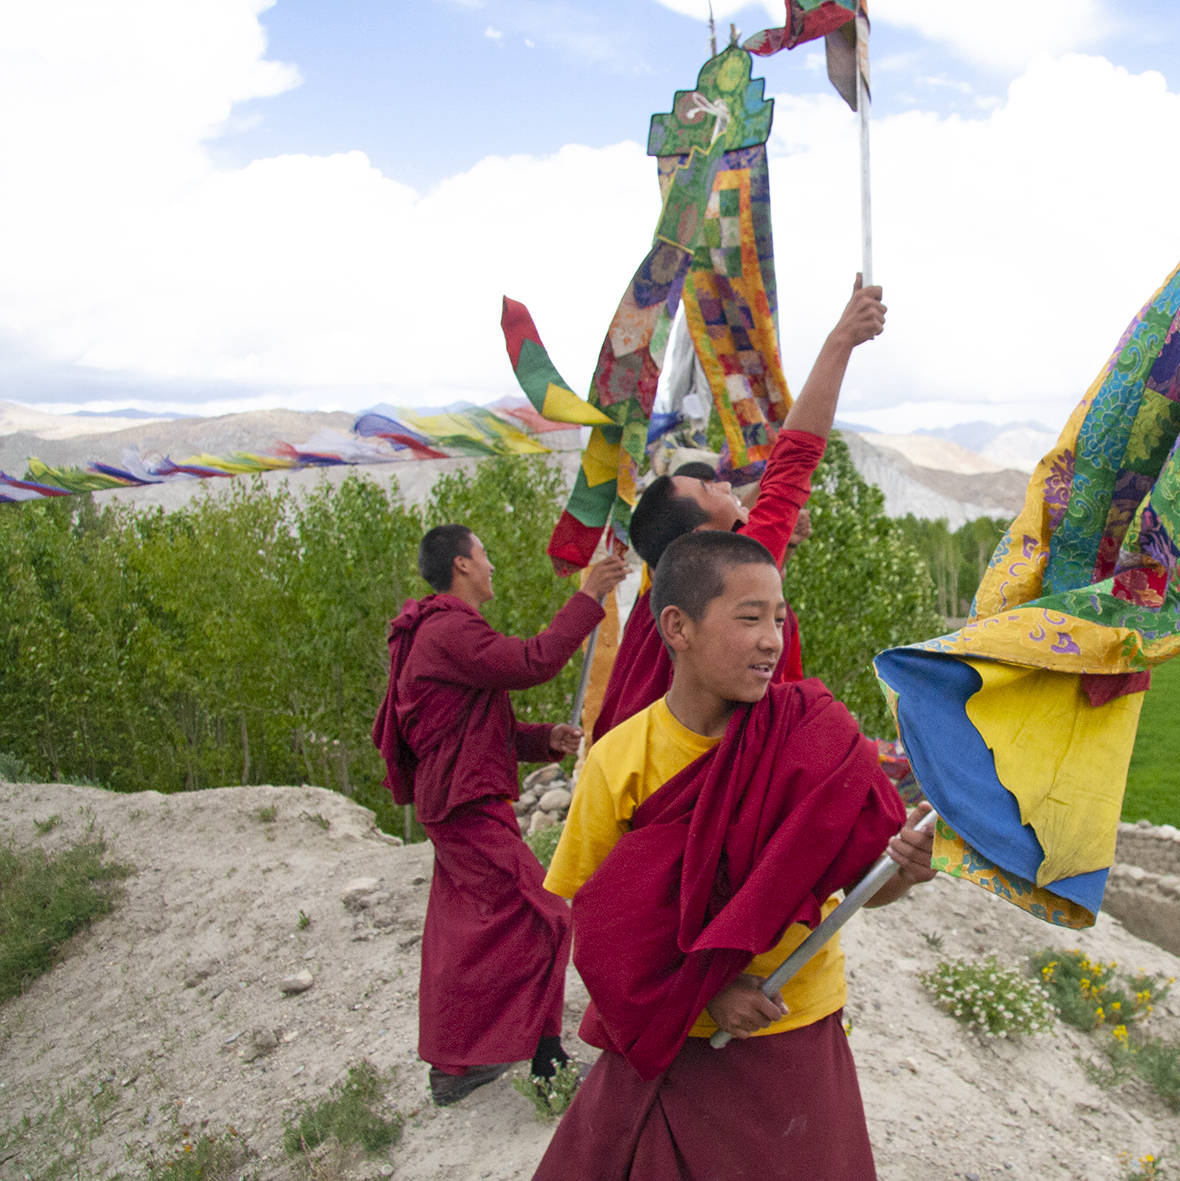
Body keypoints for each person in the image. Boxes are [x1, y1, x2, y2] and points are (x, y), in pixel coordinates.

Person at [534, 530, 935, 1180]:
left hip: (793, 1031)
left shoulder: (814, 735)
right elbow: (600, 926)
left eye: (778, 617)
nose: (772, 639)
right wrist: (708, 991)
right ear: (679, 627)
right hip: (674, 1044)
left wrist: (903, 870)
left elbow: (866, 885)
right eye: (749, 618)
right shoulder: (621, 761)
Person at [372, 524, 629, 1106]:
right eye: (485, 555)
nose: (491, 566)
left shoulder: (438, 634)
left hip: (460, 797)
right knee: (547, 917)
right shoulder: (446, 630)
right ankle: (546, 1062)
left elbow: (478, 728)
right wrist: (589, 597)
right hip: (465, 805)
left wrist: (544, 740)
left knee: (461, 938)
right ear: (462, 565)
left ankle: (455, 1068)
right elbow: (533, 661)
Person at [588, 274, 887, 741]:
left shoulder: (659, 605)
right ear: (700, 539)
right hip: (743, 774)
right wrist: (841, 339)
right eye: (712, 492)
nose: (726, 484)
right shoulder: (732, 565)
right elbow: (792, 463)